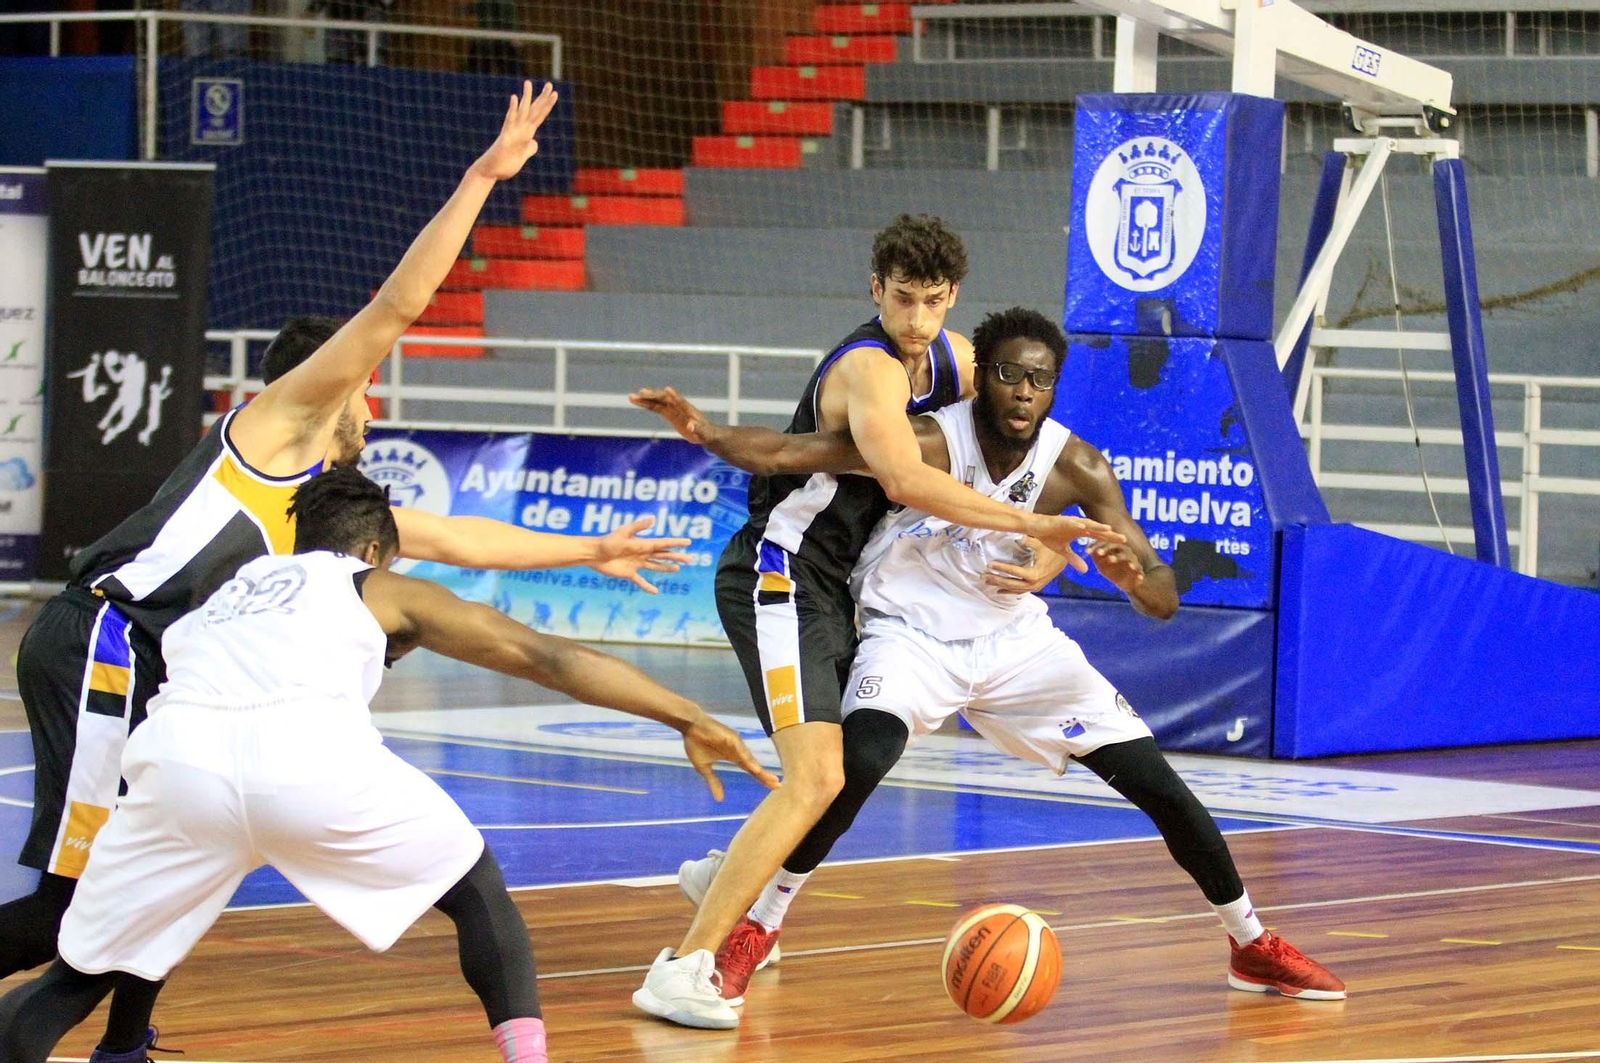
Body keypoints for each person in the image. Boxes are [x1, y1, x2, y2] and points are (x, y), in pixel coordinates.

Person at [0, 80, 679, 1060]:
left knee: (175, 859)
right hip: (105, 642)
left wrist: (594, 549)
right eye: (367, 385)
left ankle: (127, 1041)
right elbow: (400, 303)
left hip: (145, 663)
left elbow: (454, 537)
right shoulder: (281, 423)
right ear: (340, 382)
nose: (375, 405)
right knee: (78, 906)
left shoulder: (319, 500)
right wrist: (483, 178)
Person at [640, 307, 1347, 1006]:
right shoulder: (929, 440)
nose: (1023, 392)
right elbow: (791, 453)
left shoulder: (1078, 466)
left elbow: (1162, 593)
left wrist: (1134, 581)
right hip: (910, 633)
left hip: (1015, 644)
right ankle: (759, 924)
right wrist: (707, 431)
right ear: (983, 377)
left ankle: (1250, 942)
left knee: (1157, 783)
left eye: (1040, 380)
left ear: (1055, 386)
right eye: (1009, 375)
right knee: (857, 763)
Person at [0, 465, 780, 1063]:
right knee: (476, 891)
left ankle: (117, 1047)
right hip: (304, 759)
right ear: (376, 550)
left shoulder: (229, 586)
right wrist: (689, 714)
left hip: (179, 762)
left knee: (80, 971)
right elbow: (544, 656)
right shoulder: (375, 584)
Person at [628, 218, 1126, 1030]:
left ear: (952, 296)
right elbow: (903, 478)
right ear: (875, 290)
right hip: (782, 572)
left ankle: (729, 876)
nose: (916, 319)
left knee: (852, 758)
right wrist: (1034, 524)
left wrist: (1049, 543)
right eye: (902, 299)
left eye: (932, 301)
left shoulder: (958, 359)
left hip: (843, 588)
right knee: (818, 777)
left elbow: (1026, 439)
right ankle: (680, 969)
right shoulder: (869, 368)